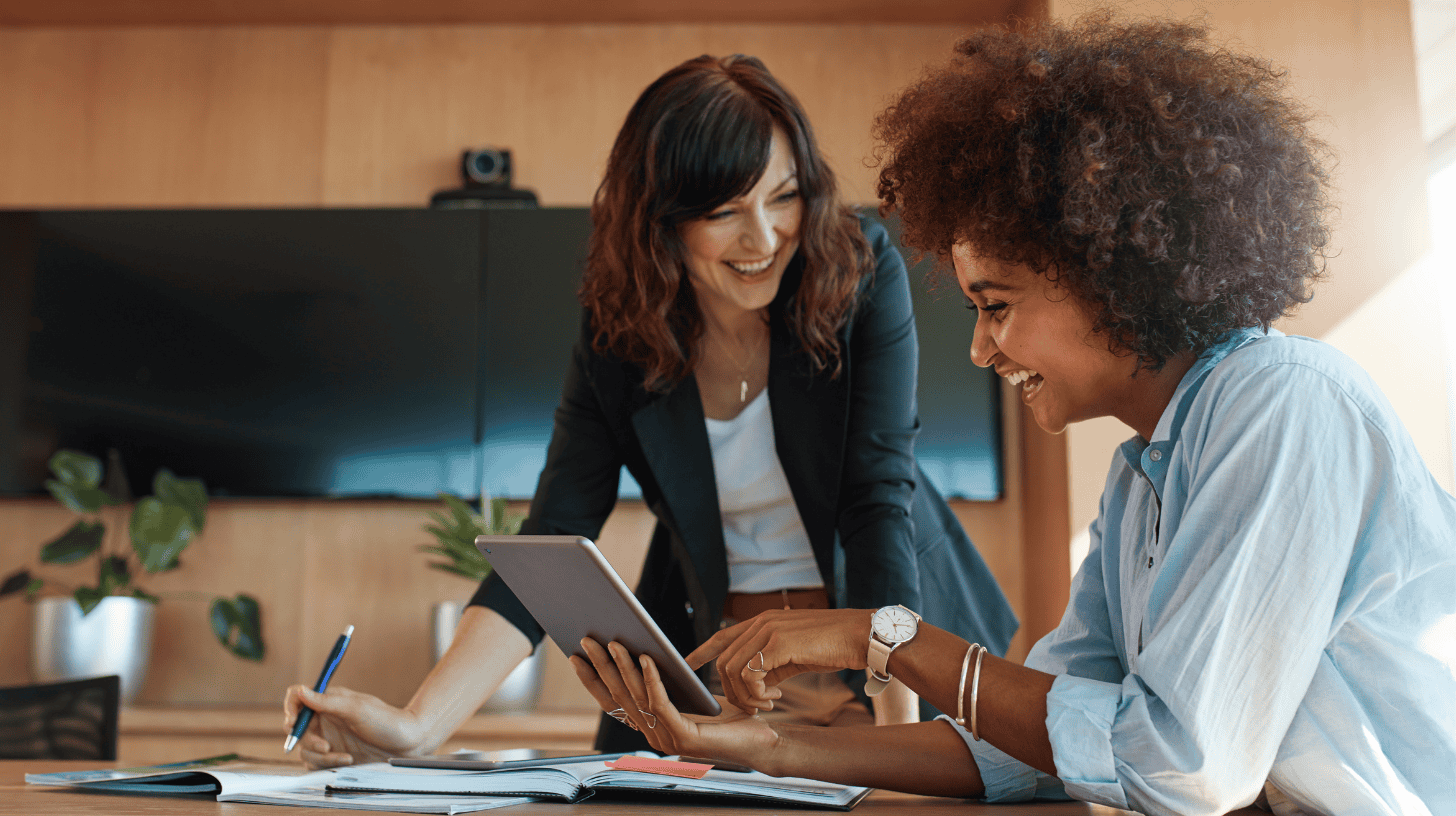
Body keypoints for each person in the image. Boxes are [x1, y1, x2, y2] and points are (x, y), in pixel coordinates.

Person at [572, 15, 1456, 816]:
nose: (981, 350)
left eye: (995, 306)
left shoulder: (1283, 402)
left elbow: (1181, 765)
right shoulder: (1141, 479)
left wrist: (882, 636)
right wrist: (760, 748)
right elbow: (1028, 751)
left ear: (1108, 272)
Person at [284, 54, 1017, 768]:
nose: (763, 238)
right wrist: (416, 727)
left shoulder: (857, 270)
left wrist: (901, 737)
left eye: (784, 195)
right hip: (723, 678)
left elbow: (875, 501)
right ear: (662, 220)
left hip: (887, 662)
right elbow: (555, 533)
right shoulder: (621, 328)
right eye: (725, 211)